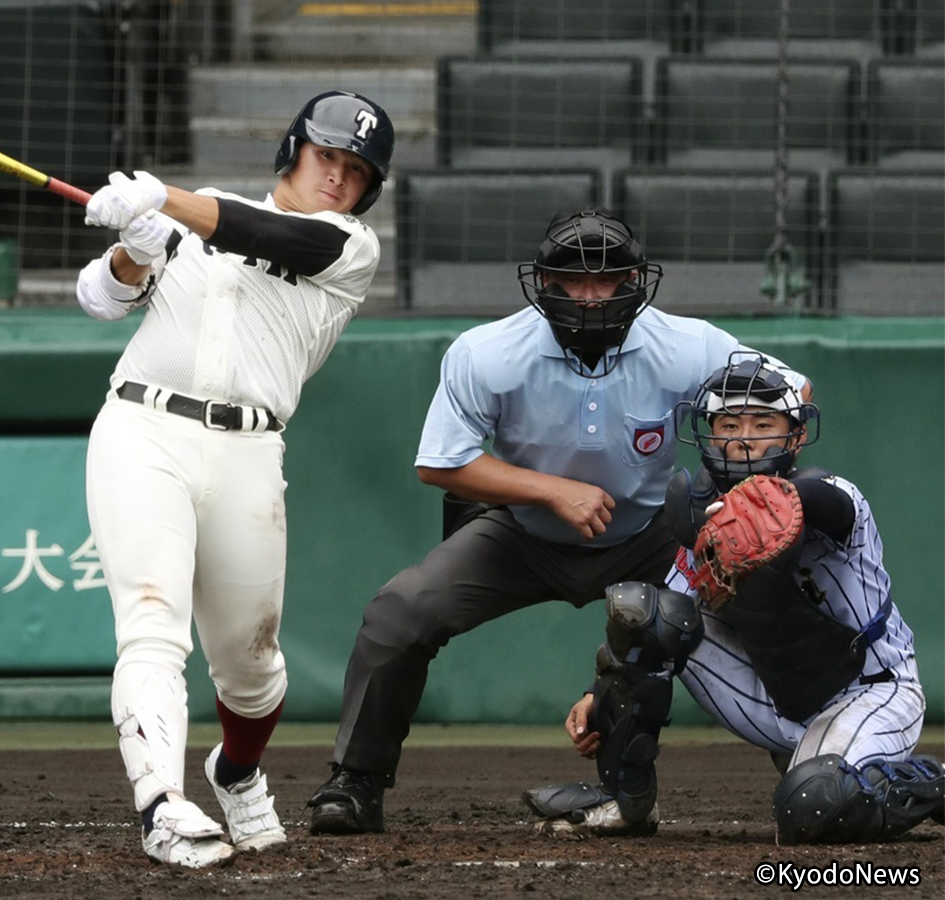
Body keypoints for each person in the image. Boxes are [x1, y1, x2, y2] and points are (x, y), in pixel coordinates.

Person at [306, 207, 809, 835]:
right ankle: (355, 781)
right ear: (542, 282)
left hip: (647, 536)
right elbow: (440, 463)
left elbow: (791, 393)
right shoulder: (489, 352)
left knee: (762, 606)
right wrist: (550, 491)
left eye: (608, 279)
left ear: (635, 280)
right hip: (520, 535)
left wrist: (726, 490)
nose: (590, 295)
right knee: (400, 610)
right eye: (572, 279)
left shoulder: (690, 345)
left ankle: (813, 766)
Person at [76, 91, 395, 868]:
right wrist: (138, 250)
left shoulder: (349, 247)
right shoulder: (192, 216)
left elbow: (263, 232)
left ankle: (238, 769)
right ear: (294, 149)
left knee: (251, 668)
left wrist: (167, 200)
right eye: (327, 156)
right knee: (151, 624)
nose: (338, 178)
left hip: (250, 450)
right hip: (142, 429)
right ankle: (160, 803)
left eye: (356, 171)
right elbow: (99, 299)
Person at [524, 353, 943, 843]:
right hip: (777, 693)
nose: (742, 437)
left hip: (871, 690)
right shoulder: (700, 512)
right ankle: (626, 801)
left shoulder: (830, 494)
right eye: (728, 422)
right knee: (644, 612)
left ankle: (925, 779)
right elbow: (665, 615)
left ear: (796, 435)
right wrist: (600, 692)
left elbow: (830, 506)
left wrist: (782, 504)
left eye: (763, 423)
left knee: (811, 810)